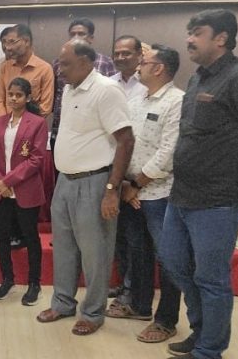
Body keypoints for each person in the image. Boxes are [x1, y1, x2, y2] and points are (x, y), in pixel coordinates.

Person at [160, 9, 238, 359]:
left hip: (221, 197)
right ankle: (202, 331)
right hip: (183, 192)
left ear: (221, 38)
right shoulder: (197, 79)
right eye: (188, 31)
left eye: (197, 32)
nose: (189, 39)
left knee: (210, 276)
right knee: (174, 262)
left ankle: (209, 349)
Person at [36, 40, 134, 337]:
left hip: (95, 182)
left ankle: (92, 313)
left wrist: (111, 189)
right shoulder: (69, 89)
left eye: (65, 64)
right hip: (65, 181)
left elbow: (126, 140)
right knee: (64, 249)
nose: (60, 70)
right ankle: (63, 303)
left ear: (86, 62)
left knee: (95, 253)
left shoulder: (106, 90)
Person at [103, 44, 184, 344]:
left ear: (159, 68)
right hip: (131, 190)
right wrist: (124, 184)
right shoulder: (138, 99)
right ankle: (139, 305)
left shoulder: (177, 101)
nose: (139, 65)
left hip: (159, 193)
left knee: (168, 257)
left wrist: (137, 184)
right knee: (137, 251)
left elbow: (168, 152)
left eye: (145, 62)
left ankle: (166, 320)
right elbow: (125, 143)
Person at [0, 77, 47, 306]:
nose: (13, 98)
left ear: (28, 97)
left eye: (18, 95)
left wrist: (9, 181)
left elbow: (37, 159)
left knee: (30, 237)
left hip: (25, 189)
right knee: (1, 236)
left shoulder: (37, 123)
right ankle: (7, 278)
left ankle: (34, 283)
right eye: (10, 94)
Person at [109, 34, 148, 301]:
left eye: (127, 53)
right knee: (118, 235)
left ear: (139, 56)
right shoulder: (108, 84)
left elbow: (142, 137)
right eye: (117, 53)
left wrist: (132, 183)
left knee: (137, 239)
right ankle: (123, 284)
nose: (121, 57)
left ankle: (134, 291)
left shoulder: (147, 85)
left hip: (138, 176)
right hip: (112, 171)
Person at [51, 18, 115, 149]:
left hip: (91, 130)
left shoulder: (105, 62)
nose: (76, 37)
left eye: (81, 34)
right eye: (72, 34)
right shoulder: (59, 63)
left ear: (91, 38)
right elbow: (55, 94)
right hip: (62, 126)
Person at [0, 24, 54, 118]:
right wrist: (4, 122)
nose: (8, 47)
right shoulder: (5, 67)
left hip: (32, 124)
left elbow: (45, 108)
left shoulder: (44, 69)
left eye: (12, 42)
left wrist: (24, 124)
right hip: (7, 123)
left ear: (26, 41)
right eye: (5, 43)